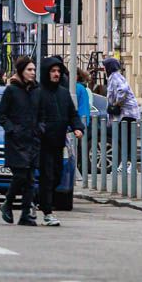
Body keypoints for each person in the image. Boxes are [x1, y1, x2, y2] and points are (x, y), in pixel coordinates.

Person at [33, 56, 85, 227]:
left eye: (58, 71)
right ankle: (48, 212)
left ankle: (35, 198)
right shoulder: (38, 92)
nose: (56, 74)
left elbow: (72, 113)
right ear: (46, 73)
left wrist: (78, 127)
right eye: (53, 71)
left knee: (56, 175)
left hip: (58, 142)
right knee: (47, 176)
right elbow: (32, 116)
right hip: (43, 142)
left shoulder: (63, 93)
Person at [0, 56, 39, 226]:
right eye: (29, 69)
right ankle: (8, 203)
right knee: (20, 175)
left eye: (34, 70)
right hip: (16, 142)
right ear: (21, 71)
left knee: (30, 179)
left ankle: (25, 214)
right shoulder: (11, 91)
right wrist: (12, 129)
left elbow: (41, 113)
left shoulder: (36, 91)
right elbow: (1, 115)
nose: (32, 73)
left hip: (33, 141)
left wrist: (39, 129)